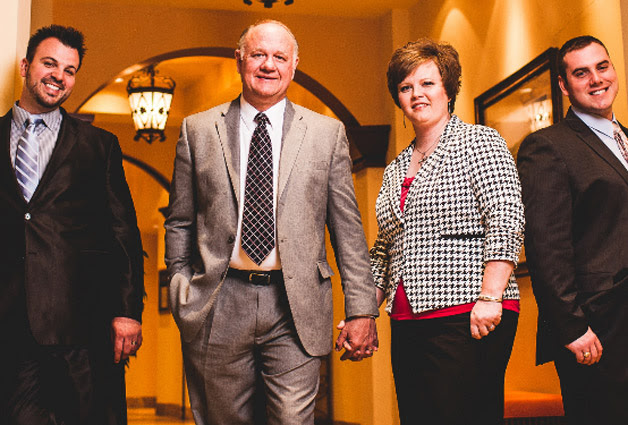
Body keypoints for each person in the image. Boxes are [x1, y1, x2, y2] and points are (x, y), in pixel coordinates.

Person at [165, 19, 378, 425]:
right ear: (239, 59)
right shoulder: (198, 130)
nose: (268, 65)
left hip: (295, 306)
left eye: (280, 57)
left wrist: (361, 309)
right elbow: (180, 221)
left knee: (293, 419)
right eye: (259, 54)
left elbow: (347, 230)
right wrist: (181, 285)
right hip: (218, 301)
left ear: (294, 65)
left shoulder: (326, 134)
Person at [369, 38, 524, 425]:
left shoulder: (479, 142)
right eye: (406, 87)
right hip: (406, 319)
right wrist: (362, 313)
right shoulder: (394, 168)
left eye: (427, 83)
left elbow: (505, 218)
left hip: (468, 312)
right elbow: (385, 248)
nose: (416, 94)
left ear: (448, 90)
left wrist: (490, 296)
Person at [0, 25, 145, 425]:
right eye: (49, 64)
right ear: (25, 66)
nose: (58, 76)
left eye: (69, 70)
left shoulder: (98, 146)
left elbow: (123, 233)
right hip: (8, 325)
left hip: (81, 328)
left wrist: (127, 312)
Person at [517, 35, 628, 425]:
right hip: (598, 326)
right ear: (564, 86)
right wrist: (571, 326)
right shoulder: (547, 147)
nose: (596, 79)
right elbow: (546, 246)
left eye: (602, 67)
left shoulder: (626, 139)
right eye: (581, 73)